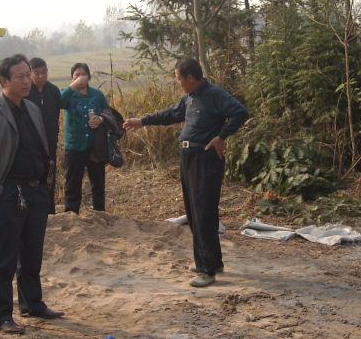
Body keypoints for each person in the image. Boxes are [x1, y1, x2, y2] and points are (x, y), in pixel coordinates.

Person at [123, 58, 249, 288]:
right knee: (194, 211)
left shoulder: (214, 94)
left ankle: (206, 270)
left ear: (191, 78)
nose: (178, 82)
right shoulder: (190, 97)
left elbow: (240, 112)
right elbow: (172, 114)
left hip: (205, 157)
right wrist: (143, 121)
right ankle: (213, 261)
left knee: (203, 211)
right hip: (188, 157)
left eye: (179, 78)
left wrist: (221, 136)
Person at [0, 53, 64, 334]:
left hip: (35, 191)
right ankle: (0, 316)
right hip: (8, 193)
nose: (27, 80)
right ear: (4, 80)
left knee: (32, 253)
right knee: (3, 257)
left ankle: (32, 303)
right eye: (21, 76)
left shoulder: (32, 108)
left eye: (29, 74)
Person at [60, 62, 110, 214]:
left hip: (95, 145)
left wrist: (100, 119)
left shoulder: (97, 94)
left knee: (98, 182)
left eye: (83, 74)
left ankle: (99, 212)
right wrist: (72, 86)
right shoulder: (68, 94)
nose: (80, 77)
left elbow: (108, 112)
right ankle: (71, 214)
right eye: (77, 75)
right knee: (73, 183)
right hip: (74, 145)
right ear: (72, 78)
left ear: (88, 77)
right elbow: (59, 102)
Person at [27, 57, 62, 214]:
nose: (41, 76)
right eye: (37, 73)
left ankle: (50, 211)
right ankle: (33, 211)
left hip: (50, 143)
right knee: (32, 178)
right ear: (30, 74)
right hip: (31, 144)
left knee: (49, 177)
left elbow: (56, 115)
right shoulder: (26, 91)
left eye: (44, 72)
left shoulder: (53, 91)